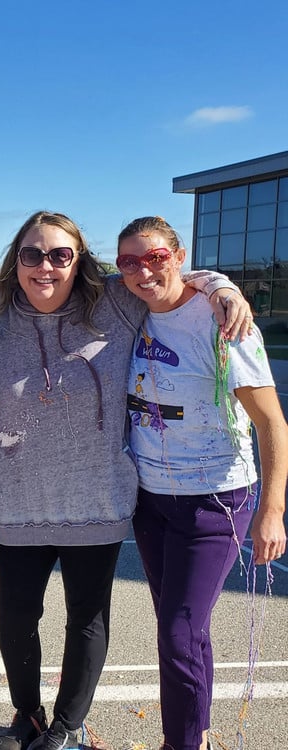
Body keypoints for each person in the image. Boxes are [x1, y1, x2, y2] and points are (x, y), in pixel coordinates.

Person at [0, 211, 249, 750]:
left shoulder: (114, 304)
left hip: (96, 499)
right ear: (18, 260)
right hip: (20, 503)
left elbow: (163, 278)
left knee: (86, 618)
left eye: (60, 254)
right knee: (15, 622)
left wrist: (220, 285)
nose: (45, 266)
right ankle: (29, 715)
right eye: (32, 254)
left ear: (78, 260)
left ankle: (67, 726)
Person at [117, 216, 287, 750]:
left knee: (178, 634)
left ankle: (182, 743)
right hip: (152, 500)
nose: (144, 272)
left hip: (214, 498)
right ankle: (199, 733)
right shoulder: (130, 310)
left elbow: (272, 423)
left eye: (156, 258)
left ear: (178, 254)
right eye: (129, 263)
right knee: (187, 632)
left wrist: (273, 510)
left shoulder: (224, 325)